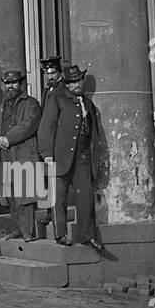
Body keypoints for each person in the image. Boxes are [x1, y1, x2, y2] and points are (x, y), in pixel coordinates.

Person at [37, 64, 103, 251]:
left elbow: (93, 131)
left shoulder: (88, 104)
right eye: (72, 82)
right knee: (59, 197)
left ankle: (87, 234)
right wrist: (47, 154)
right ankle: (60, 234)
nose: (76, 85)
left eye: (78, 80)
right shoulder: (57, 99)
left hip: (82, 156)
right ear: (66, 84)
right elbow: (46, 128)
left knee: (86, 194)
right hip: (60, 155)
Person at [0, 70, 43, 241]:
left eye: (13, 83)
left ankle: (28, 232)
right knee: (10, 194)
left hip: (23, 153)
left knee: (24, 194)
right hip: (5, 154)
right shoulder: (2, 105)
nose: (10, 86)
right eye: (7, 83)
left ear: (20, 84)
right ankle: (18, 229)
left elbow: (29, 125)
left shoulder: (31, 103)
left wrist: (8, 138)